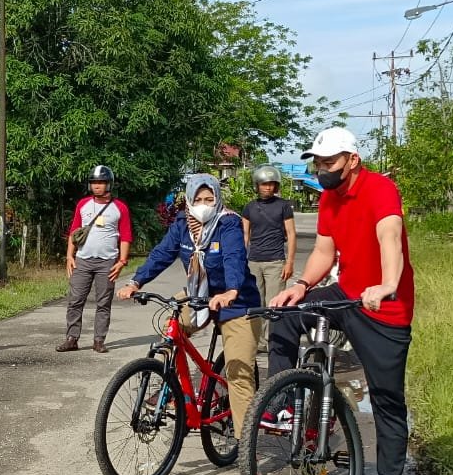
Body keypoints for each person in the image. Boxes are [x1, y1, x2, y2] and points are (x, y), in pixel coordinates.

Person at [265, 126, 414, 475]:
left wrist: (386, 284)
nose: (322, 169)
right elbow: (324, 251)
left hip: (384, 308)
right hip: (346, 294)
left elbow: (390, 237)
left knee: (386, 400)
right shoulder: (329, 197)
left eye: (329, 162)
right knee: (283, 314)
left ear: (352, 160)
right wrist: (300, 285)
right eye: (318, 162)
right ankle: (283, 406)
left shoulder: (380, 189)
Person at [119, 174, 261, 439]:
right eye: (198, 199)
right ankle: (170, 386)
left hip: (238, 301)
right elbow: (162, 253)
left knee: (238, 373)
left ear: (218, 200)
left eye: (209, 199)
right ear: (188, 200)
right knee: (171, 329)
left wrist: (231, 290)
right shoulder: (182, 223)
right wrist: (136, 282)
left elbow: (234, 257)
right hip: (198, 294)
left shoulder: (228, 223)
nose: (204, 205)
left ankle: (245, 446)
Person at [57, 165, 132, 354]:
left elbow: (125, 236)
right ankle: (72, 338)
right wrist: (69, 256)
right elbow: (74, 231)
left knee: (103, 302)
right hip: (82, 260)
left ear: (109, 184)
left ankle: (99, 340)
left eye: (101, 182)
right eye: (94, 182)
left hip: (107, 262)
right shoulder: (83, 204)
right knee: (75, 300)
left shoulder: (120, 208)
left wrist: (121, 262)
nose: (97, 186)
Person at [242, 164, 296, 349]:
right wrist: (241, 261)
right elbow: (245, 236)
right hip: (253, 262)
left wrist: (289, 262)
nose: (268, 187)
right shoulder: (249, 208)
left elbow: (291, 234)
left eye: (272, 184)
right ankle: (257, 342)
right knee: (255, 303)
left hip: (275, 262)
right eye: (264, 184)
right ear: (257, 185)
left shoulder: (284, 206)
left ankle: (272, 341)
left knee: (274, 305)